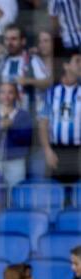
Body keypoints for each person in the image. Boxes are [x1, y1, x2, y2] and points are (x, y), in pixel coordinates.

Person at [0, 24, 51, 112]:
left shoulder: (33, 59)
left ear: (23, 41)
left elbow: (47, 83)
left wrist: (28, 81)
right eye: (6, 39)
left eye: (13, 39)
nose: (9, 43)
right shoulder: (0, 60)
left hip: (25, 113)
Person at [38, 50, 81, 183]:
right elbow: (43, 123)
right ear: (66, 66)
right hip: (56, 150)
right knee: (55, 194)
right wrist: (47, 150)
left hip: (78, 151)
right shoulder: (51, 92)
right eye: (78, 61)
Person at [0, 82, 32, 187]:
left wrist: (12, 128)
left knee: (15, 193)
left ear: (15, 95)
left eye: (10, 92)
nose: (6, 96)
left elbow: (26, 141)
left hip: (15, 161)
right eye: (3, 92)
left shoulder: (24, 116)